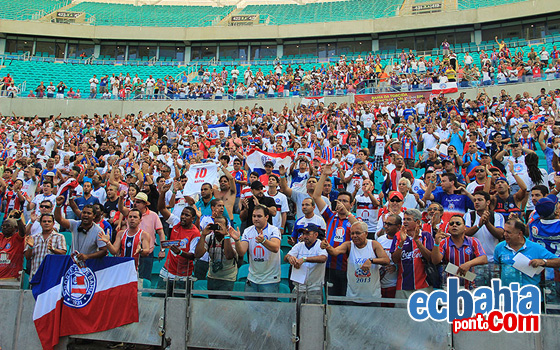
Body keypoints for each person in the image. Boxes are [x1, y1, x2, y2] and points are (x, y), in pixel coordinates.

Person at [313, 163, 358, 296]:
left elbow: (359, 229)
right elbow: (316, 197)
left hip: (347, 267)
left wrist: (347, 213)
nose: (341, 203)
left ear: (351, 204)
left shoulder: (354, 220)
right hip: (329, 267)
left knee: (343, 301)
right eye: (339, 201)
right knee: (330, 299)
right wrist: (324, 175)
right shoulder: (330, 216)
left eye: (345, 201)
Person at [321, 221, 389, 302]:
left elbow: (386, 260)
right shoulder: (349, 245)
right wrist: (327, 246)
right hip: (352, 297)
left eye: (358, 233)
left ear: (366, 234)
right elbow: (334, 252)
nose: (354, 236)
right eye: (352, 233)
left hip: (373, 297)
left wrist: (371, 261)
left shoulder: (373, 245)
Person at [229, 205, 282, 300]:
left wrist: (263, 241)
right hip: (252, 279)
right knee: (250, 312)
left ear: (267, 217)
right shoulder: (247, 231)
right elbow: (241, 252)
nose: (256, 219)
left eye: (259, 216)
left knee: (268, 312)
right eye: (254, 216)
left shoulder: (273, 230)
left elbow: (276, 248)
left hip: (270, 280)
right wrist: (237, 240)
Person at [157, 185, 200, 294]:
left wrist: (179, 252)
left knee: (180, 303)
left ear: (193, 218)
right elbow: (162, 209)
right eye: (182, 214)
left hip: (183, 274)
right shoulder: (176, 223)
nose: (183, 217)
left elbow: (193, 255)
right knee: (159, 298)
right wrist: (163, 193)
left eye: (187, 215)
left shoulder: (195, 233)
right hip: (167, 270)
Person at [494, 219, 560, 286]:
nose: (505, 234)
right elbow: (496, 271)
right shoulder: (499, 248)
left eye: (508, 232)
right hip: (507, 293)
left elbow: (558, 261)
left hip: (530, 293)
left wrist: (543, 262)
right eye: (504, 231)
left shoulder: (536, 248)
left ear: (519, 234)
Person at [432, 215, 488, 289]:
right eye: (451, 224)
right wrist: (436, 243)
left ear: (464, 227)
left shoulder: (473, 241)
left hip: (470, 286)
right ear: (448, 228)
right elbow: (435, 261)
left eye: (458, 223)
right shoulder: (443, 243)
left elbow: (484, 258)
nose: (454, 225)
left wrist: (468, 264)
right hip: (450, 286)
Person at [390, 209, 434, 299]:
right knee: (400, 313)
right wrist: (401, 243)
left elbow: (431, 258)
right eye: (404, 219)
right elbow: (394, 259)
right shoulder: (398, 236)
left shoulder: (426, 236)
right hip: (402, 285)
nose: (405, 222)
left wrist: (417, 241)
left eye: (408, 219)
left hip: (424, 286)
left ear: (417, 222)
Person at [285, 223, 328, 304]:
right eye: (303, 234)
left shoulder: (320, 245)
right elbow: (286, 256)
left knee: (313, 314)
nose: (305, 236)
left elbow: (323, 258)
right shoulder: (299, 245)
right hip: (299, 288)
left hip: (314, 289)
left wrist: (304, 259)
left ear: (316, 234)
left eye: (308, 233)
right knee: (295, 314)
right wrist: (290, 258)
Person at [54, 197, 107, 262]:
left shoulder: (99, 231)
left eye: (89, 213)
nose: (85, 215)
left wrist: (87, 256)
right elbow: (59, 219)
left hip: (89, 264)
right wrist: (58, 205)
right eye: (84, 212)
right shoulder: (74, 224)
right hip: (73, 263)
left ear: (94, 216)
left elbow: (103, 251)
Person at [194, 216, 238, 293]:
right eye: (216, 225)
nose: (217, 228)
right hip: (212, 277)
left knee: (223, 303)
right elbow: (198, 254)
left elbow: (229, 256)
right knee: (211, 303)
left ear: (227, 227)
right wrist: (203, 235)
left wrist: (226, 235)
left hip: (228, 278)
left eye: (220, 226)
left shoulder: (231, 239)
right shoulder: (209, 238)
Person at [464, 191, 504, 262]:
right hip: (474, 260)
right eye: (474, 200)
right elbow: (466, 232)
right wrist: (479, 225)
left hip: (493, 259)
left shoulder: (497, 216)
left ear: (488, 202)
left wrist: (487, 223)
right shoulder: (469, 215)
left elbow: (500, 234)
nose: (476, 202)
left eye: (480, 200)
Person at [134, 192, 166, 279]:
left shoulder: (153, 215)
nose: (135, 204)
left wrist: (162, 250)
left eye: (138, 202)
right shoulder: (131, 215)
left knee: (144, 279)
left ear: (145, 204)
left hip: (147, 252)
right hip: (132, 252)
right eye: (135, 201)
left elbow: (161, 233)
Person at [24, 213, 66, 279]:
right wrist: (30, 247)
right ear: (40, 223)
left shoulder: (59, 237)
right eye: (44, 221)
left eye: (49, 221)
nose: (47, 223)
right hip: (36, 273)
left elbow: (63, 253)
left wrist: (53, 249)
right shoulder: (34, 237)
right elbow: (27, 257)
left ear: (53, 224)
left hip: (52, 274)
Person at [377, 213, 401, 300]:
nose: (386, 226)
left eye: (389, 224)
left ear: (398, 226)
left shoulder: (402, 241)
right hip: (380, 284)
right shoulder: (380, 240)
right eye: (385, 223)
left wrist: (396, 267)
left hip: (395, 284)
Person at [0, 214, 26, 280]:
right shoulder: (1, 237)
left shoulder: (17, 239)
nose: (4, 227)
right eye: (3, 226)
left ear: (15, 228)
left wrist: (19, 220)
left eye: (8, 226)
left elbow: (23, 232)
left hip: (12, 278)